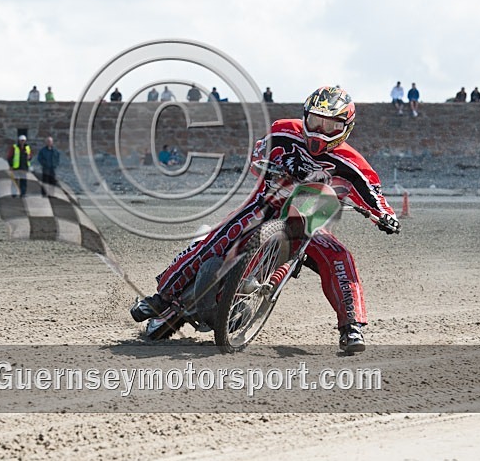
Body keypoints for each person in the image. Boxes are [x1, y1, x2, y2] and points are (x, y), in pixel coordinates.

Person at [130, 86, 400, 353]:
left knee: (339, 256)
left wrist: (385, 216)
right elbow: (258, 153)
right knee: (216, 240)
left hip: (308, 219)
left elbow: (373, 195)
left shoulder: (353, 163)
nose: (320, 130)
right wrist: (269, 164)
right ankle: (161, 297)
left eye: (330, 126)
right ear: (305, 116)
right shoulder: (283, 131)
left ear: (346, 128)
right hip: (263, 204)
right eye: (315, 121)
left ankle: (351, 327)